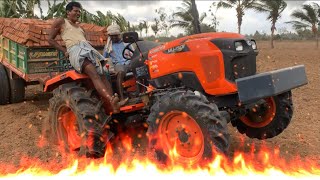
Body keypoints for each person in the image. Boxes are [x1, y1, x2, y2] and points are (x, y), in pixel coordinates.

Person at [48, 2, 125, 113]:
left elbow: (83, 40)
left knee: (103, 73)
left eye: (79, 11)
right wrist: (64, 51)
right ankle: (111, 99)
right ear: (68, 12)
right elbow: (50, 39)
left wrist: (90, 45)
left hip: (88, 49)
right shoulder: (61, 22)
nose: (78, 13)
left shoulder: (80, 28)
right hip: (75, 51)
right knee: (94, 74)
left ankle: (113, 104)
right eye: (75, 11)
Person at [103, 24, 134, 100]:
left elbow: (133, 53)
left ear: (119, 34)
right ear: (109, 36)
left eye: (115, 35)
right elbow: (104, 58)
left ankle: (142, 92)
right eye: (112, 36)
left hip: (129, 62)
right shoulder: (108, 46)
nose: (114, 37)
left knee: (141, 68)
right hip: (118, 65)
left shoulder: (126, 43)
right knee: (120, 72)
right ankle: (122, 97)